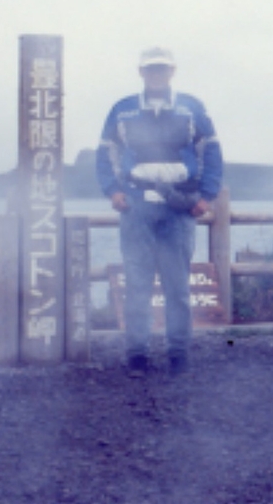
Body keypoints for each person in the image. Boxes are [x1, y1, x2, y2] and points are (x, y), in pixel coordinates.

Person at [95, 47, 223, 375]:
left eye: (162, 68)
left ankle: (178, 355)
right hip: (136, 207)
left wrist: (207, 195)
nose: (156, 74)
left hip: (179, 208)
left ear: (172, 71)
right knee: (137, 284)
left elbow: (211, 151)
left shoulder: (192, 107)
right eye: (151, 68)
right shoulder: (122, 109)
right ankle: (137, 354)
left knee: (177, 287)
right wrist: (113, 191)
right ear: (141, 72)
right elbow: (106, 153)